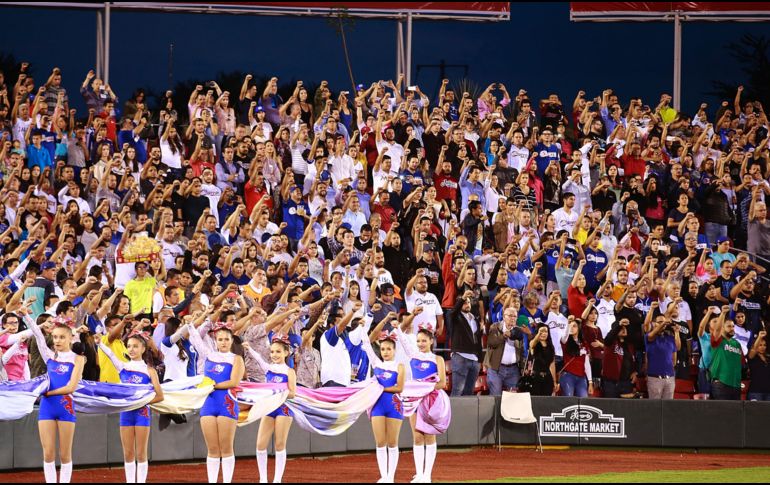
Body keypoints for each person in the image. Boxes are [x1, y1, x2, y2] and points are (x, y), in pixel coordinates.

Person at [96, 331, 164, 484]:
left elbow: (160, 396)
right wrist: (99, 342)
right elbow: (110, 355)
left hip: (142, 414)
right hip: (126, 414)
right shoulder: (123, 367)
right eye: (129, 346)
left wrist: (141, 402)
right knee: (127, 453)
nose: (131, 349)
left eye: (135, 346)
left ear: (143, 349)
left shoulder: (150, 370)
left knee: (141, 453)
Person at [27, 313, 84, 484]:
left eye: (62, 337)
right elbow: (37, 334)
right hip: (47, 408)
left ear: (70, 338)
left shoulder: (78, 359)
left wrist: (47, 392)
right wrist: (27, 316)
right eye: (55, 337)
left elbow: (71, 387)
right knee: (48, 453)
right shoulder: (49, 357)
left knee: (65, 453)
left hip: (65, 407)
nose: (57, 341)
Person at [187, 322, 245, 484]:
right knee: (212, 449)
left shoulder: (237, 359)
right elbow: (197, 340)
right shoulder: (209, 355)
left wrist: (212, 385)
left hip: (226, 403)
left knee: (226, 448)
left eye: (226, 339)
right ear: (215, 340)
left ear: (232, 340)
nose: (223, 342)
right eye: (220, 339)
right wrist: (190, 325)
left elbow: (234, 382)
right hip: (208, 404)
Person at [395, 323, 447, 484]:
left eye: (424, 340)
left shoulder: (438, 359)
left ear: (431, 341)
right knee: (417, 437)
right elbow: (403, 341)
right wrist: (396, 327)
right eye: (418, 341)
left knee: (429, 437)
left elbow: (442, 383)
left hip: (430, 400)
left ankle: (427, 475)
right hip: (415, 400)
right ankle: (419, 474)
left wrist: (425, 387)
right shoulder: (414, 356)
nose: (420, 344)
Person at [243, 336, 296, 484]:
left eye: (278, 352)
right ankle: (263, 479)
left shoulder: (289, 371)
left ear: (286, 353)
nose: (274, 355)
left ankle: (277, 479)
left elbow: (293, 392)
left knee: (280, 444)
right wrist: (249, 348)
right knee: (260, 444)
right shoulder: (268, 368)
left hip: (284, 408)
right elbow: (259, 358)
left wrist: (278, 392)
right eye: (272, 352)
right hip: (269, 407)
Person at [361, 320, 405, 483]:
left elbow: (399, 388)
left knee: (392, 443)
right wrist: (364, 325)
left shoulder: (399, 366)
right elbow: (366, 342)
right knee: (380, 442)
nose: (386, 352)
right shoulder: (377, 363)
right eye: (383, 349)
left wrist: (379, 389)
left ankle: (391, 477)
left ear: (394, 350)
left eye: (389, 349)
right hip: (377, 406)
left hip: (394, 406)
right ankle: (384, 477)